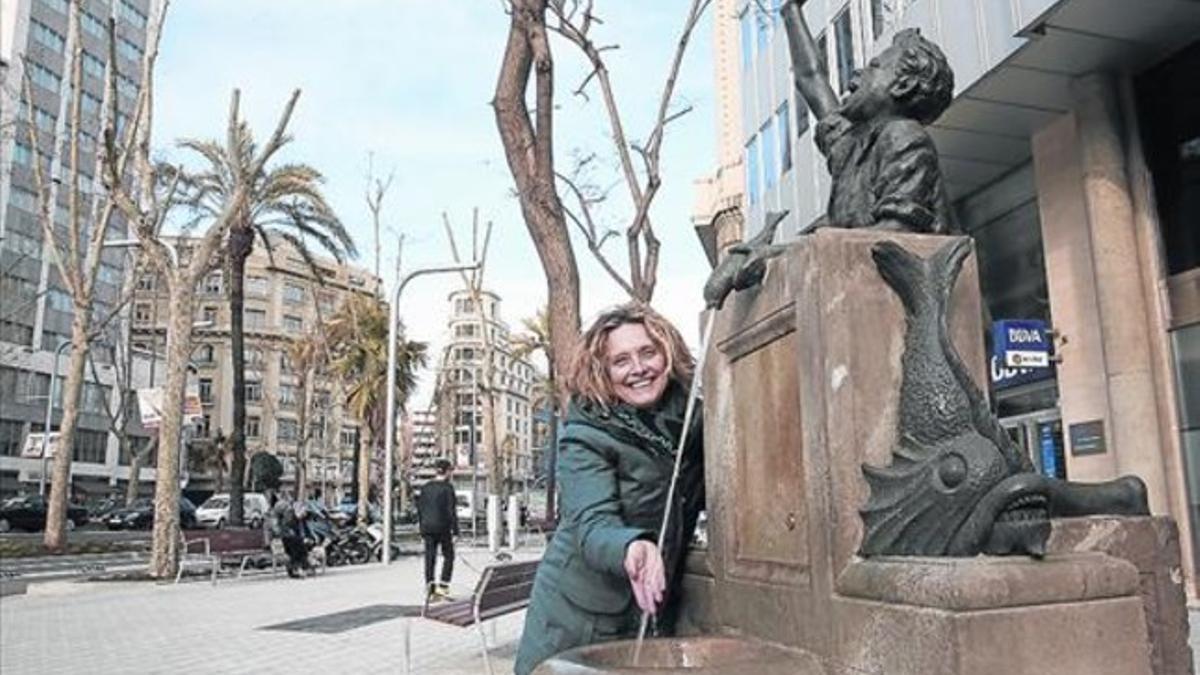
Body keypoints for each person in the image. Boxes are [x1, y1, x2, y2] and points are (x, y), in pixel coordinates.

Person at [513, 303, 705, 675]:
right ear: (604, 372)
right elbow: (593, 525)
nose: (638, 368)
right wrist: (631, 546)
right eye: (621, 361)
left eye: (648, 352)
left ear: (668, 355)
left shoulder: (688, 422)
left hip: (645, 606)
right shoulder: (586, 435)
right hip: (577, 614)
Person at [781, 0, 955, 233]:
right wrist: (791, 11)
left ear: (902, 85)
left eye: (874, 66)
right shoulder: (851, 143)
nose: (857, 73)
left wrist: (818, 245)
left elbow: (898, 229)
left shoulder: (904, 135)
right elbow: (810, 79)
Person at [416, 458, 459, 600]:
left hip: (427, 527)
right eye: (450, 471)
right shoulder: (448, 488)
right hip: (443, 528)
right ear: (447, 472)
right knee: (449, 556)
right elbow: (451, 511)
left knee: (430, 558)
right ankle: (443, 587)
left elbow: (420, 509)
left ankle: (430, 589)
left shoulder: (426, 487)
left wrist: (421, 528)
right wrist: (456, 531)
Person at [270, 491, 310, 579]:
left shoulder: (287, 517)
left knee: (298, 542)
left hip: (284, 537)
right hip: (278, 539)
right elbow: (276, 530)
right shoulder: (277, 517)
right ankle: (298, 567)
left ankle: (299, 567)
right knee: (296, 543)